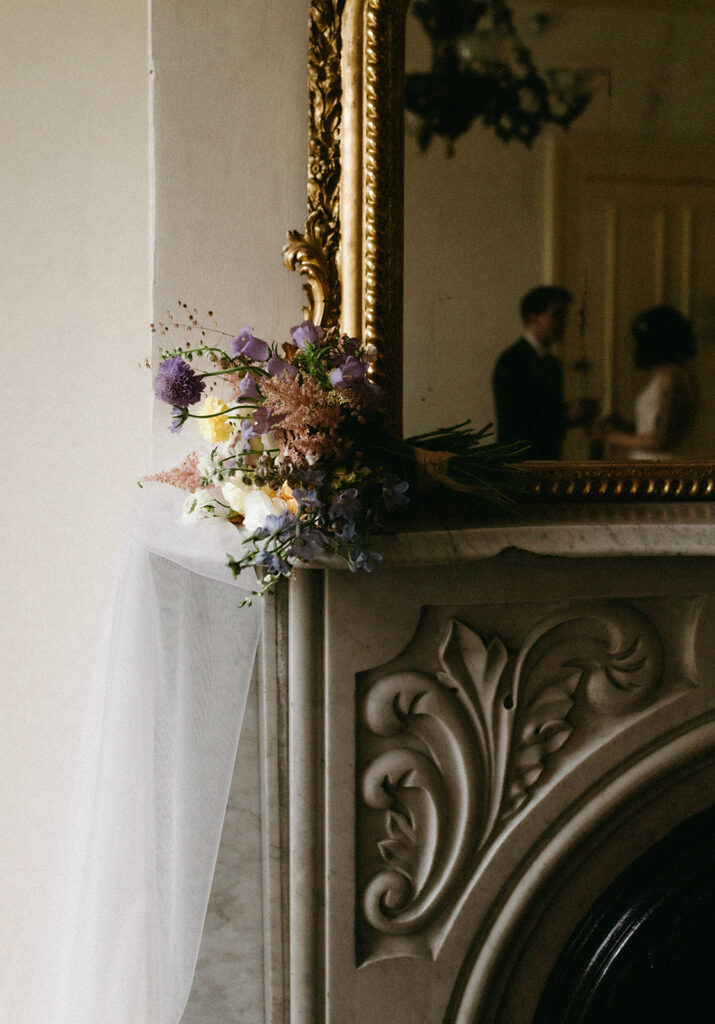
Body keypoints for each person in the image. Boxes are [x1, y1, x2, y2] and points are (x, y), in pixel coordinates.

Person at [492, 285, 596, 459]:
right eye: (556, 315)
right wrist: (567, 415)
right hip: (519, 462)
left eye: (564, 316)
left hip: (546, 459)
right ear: (534, 318)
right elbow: (516, 418)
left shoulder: (552, 363)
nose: (563, 323)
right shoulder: (511, 361)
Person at [591, 305, 700, 460]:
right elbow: (663, 429)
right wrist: (626, 426)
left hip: (660, 467)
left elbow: (661, 440)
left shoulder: (671, 379)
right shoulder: (682, 375)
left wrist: (608, 436)